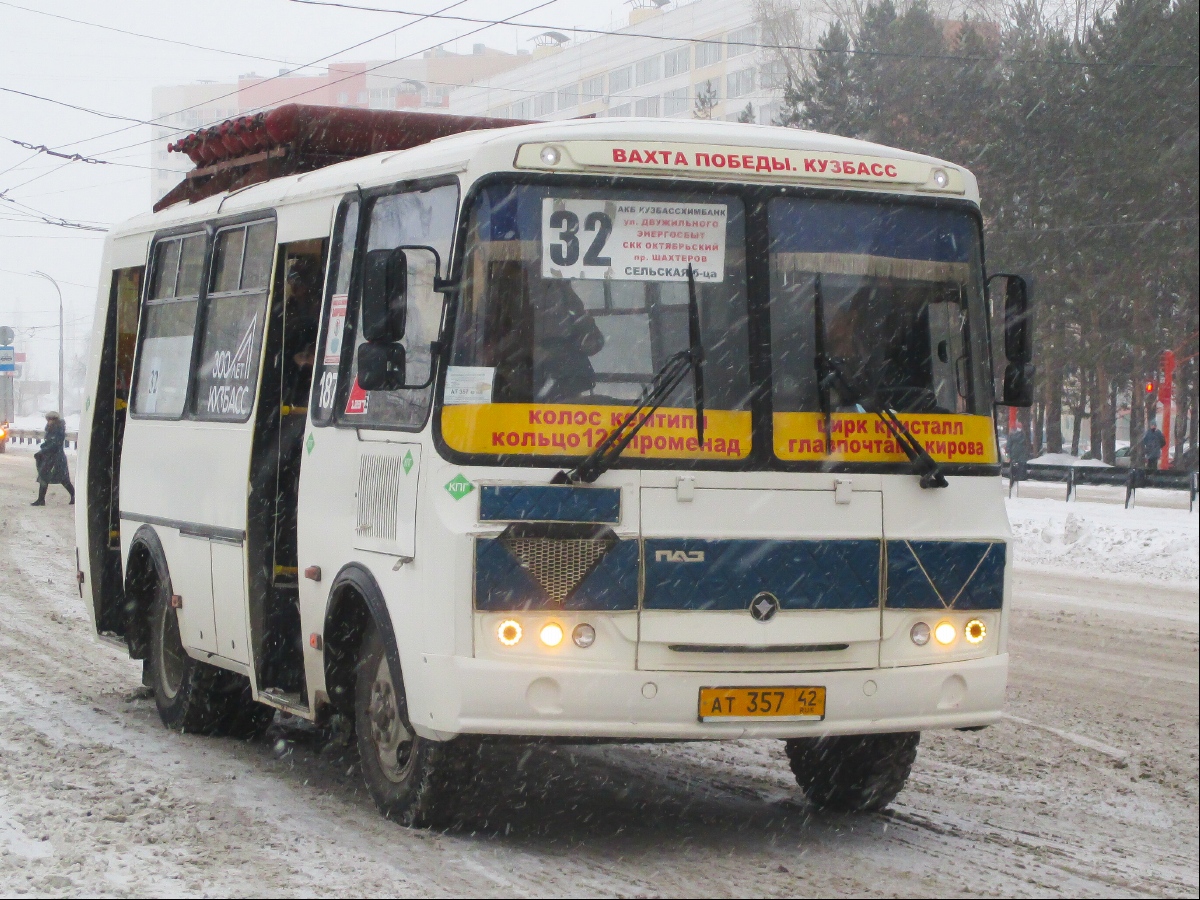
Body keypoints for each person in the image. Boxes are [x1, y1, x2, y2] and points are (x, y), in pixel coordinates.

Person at [32, 411, 74, 506]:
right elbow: (49, 442)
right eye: (48, 419)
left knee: (63, 478)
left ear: (55, 420)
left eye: (51, 419)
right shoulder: (50, 429)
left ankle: (74, 495)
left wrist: (43, 450)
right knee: (44, 477)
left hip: (57, 458)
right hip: (49, 457)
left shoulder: (58, 430)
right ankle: (41, 499)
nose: (49, 421)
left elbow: (56, 444)